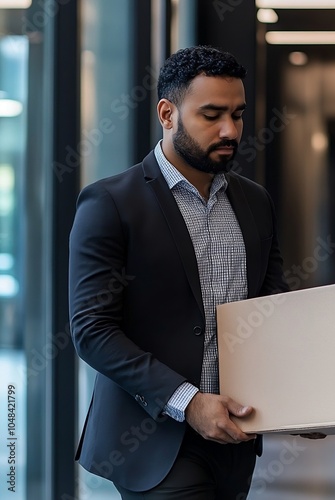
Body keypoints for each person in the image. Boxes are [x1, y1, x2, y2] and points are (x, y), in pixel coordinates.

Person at [69, 45, 290, 499]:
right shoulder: (110, 203)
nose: (230, 130)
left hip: (237, 434)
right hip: (154, 440)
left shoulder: (255, 203)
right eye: (212, 115)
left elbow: (273, 310)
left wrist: (301, 403)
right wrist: (188, 403)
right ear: (167, 114)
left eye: (238, 114)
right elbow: (92, 330)